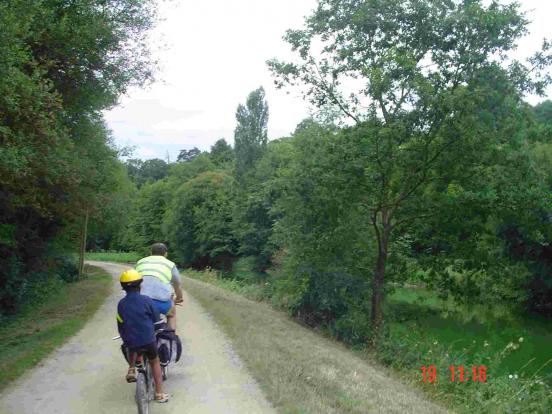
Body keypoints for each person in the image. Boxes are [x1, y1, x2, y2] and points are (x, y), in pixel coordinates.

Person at [117, 269, 169, 403]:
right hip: (148, 340)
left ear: (123, 287)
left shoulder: (121, 304)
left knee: (132, 345)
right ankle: (159, 393)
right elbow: (157, 322)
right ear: (140, 285)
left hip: (130, 341)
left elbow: (121, 324)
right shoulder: (147, 300)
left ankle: (131, 369)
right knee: (154, 361)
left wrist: (124, 335)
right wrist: (159, 328)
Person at [136, 243, 184, 330]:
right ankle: (171, 336)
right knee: (171, 315)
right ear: (166, 254)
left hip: (141, 301)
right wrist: (179, 297)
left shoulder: (140, 262)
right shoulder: (170, 264)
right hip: (161, 301)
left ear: (151, 253)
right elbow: (177, 284)